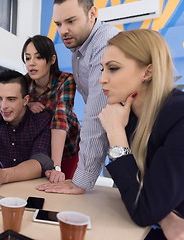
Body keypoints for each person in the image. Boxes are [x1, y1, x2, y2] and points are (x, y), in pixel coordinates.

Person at [98, 29, 184, 240]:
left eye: (113, 68)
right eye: (102, 69)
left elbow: (143, 210)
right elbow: (137, 194)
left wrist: (115, 133)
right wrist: (164, 216)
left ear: (148, 72)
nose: (102, 79)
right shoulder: (127, 115)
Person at [37, 0, 120, 193]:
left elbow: (96, 114)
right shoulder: (78, 53)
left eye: (71, 21)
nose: (63, 31)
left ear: (92, 13)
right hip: (118, 137)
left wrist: (80, 181)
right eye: (58, 24)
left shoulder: (106, 42)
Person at [0, 70, 54, 190]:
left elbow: (40, 162)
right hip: (1, 189)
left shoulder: (41, 121)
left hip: (35, 189)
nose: (3, 106)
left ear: (25, 100)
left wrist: (3, 176)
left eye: (11, 99)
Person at [21, 35, 79, 182]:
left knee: (63, 188)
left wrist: (56, 167)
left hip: (66, 148)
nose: (31, 63)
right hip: (38, 149)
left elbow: (61, 116)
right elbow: (12, 104)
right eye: (28, 58)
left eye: (38, 57)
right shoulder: (23, 83)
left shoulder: (66, 80)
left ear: (52, 60)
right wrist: (27, 103)